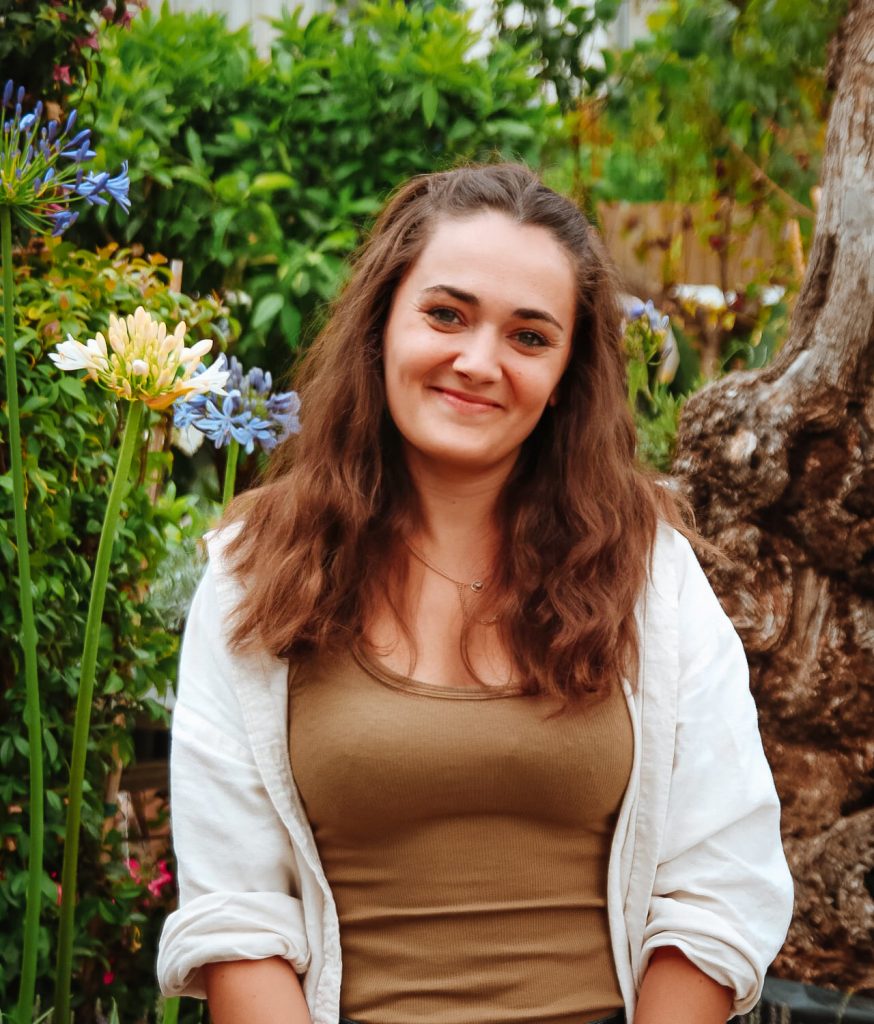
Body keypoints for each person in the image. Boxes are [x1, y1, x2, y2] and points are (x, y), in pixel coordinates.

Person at [156, 163, 793, 1024]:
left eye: (529, 336)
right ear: (382, 322)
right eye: (447, 315)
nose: (478, 362)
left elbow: (718, 883)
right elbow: (236, 918)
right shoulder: (255, 570)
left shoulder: (648, 573)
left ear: (567, 374)